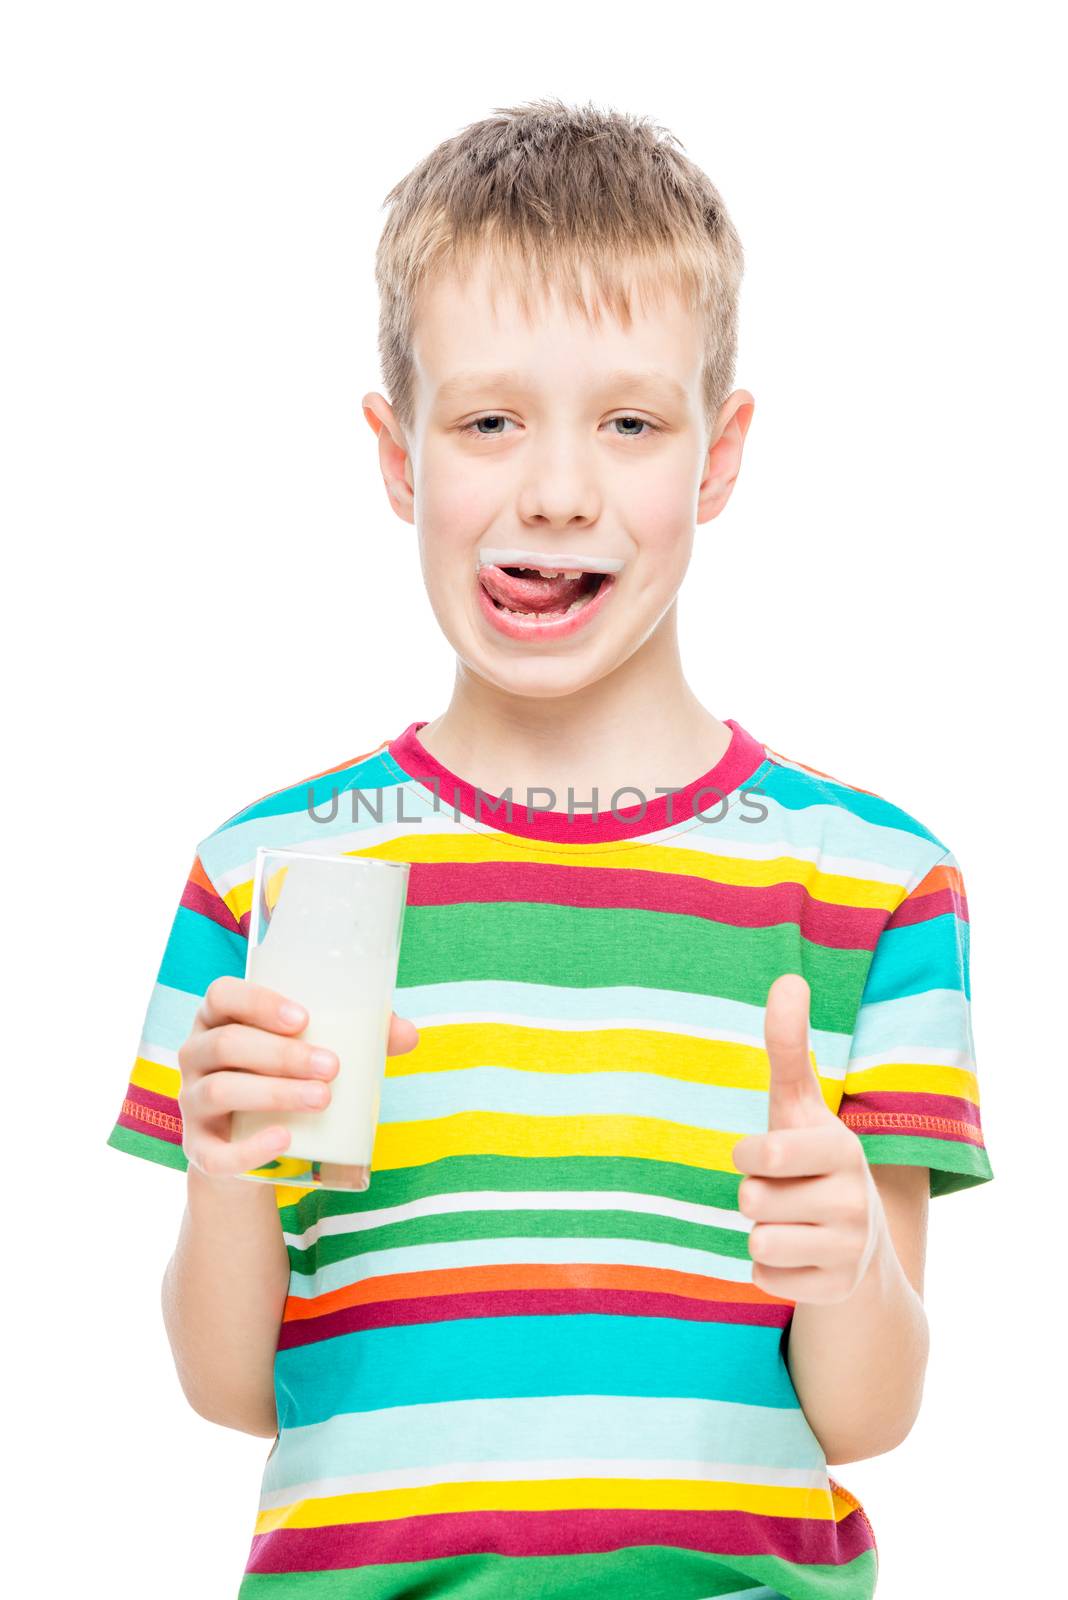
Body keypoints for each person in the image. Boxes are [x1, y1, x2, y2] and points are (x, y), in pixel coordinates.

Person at [106, 97, 994, 1600]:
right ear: (398, 456)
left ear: (719, 460)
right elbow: (231, 1388)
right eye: (490, 420)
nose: (560, 490)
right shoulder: (261, 878)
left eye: (632, 422)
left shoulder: (871, 884)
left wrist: (846, 1262)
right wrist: (222, 1175)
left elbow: (873, 1413)